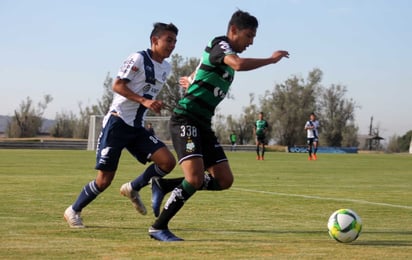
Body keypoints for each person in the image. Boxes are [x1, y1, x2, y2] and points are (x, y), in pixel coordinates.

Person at [148, 10, 289, 241]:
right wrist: (271, 60)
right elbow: (238, 64)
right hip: (186, 119)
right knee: (194, 178)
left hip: (203, 125)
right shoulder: (221, 44)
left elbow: (205, 68)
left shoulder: (221, 53)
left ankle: (164, 186)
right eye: (248, 35)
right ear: (233, 30)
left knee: (224, 180)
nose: (251, 41)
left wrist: (191, 78)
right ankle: (158, 227)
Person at [63, 22, 179, 228]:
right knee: (104, 180)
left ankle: (133, 188)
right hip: (117, 123)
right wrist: (144, 101)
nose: (172, 45)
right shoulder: (138, 58)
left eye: (175, 41)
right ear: (154, 40)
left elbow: (147, 94)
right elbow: (117, 85)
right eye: (168, 40)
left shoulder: (166, 68)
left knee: (167, 162)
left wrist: (152, 105)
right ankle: (73, 210)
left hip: (137, 127)